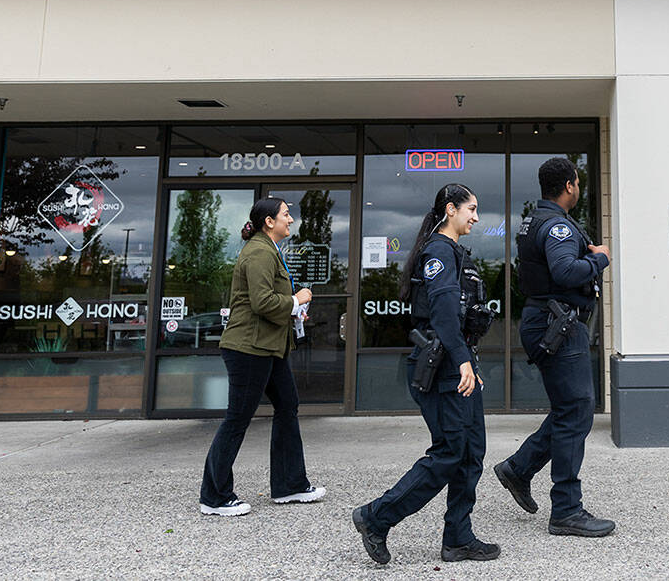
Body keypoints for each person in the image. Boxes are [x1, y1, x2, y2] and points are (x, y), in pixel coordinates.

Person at [353, 183, 499, 565]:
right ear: (450, 209)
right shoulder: (437, 251)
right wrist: (462, 360)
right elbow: (443, 313)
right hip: (442, 367)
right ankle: (375, 518)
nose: (476, 217)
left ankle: (458, 538)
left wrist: (468, 361)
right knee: (450, 452)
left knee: (470, 453)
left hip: (456, 363)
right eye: (471, 208)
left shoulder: (451, 251)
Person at [493, 157, 615, 537]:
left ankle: (519, 468)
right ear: (569, 184)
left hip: (546, 320)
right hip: (557, 323)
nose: (578, 188)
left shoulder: (536, 220)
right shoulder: (557, 225)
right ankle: (565, 509)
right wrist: (599, 260)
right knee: (577, 410)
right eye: (577, 183)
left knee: (570, 409)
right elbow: (564, 271)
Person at [198, 197, 325, 516]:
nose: (291, 220)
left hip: (269, 347)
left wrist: (294, 312)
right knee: (238, 417)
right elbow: (262, 302)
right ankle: (214, 496)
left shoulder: (269, 250)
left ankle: (289, 486)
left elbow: (270, 302)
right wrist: (295, 300)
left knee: (287, 406)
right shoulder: (257, 251)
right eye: (286, 214)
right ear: (269, 221)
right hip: (248, 348)